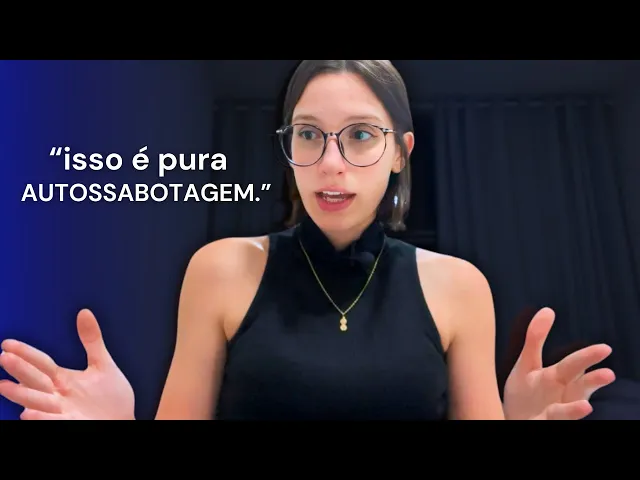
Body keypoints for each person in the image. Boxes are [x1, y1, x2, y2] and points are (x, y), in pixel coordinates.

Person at [0, 60, 616, 420]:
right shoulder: (220, 270)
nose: (330, 163)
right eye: (309, 134)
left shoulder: (459, 287)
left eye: (361, 135)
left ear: (400, 153)